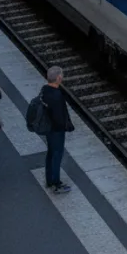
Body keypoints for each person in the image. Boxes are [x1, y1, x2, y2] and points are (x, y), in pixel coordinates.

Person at [41, 66, 74, 194]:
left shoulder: (45, 90)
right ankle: (56, 183)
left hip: (49, 128)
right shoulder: (57, 94)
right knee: (56, 155)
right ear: (59, 78)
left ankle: (49, 179)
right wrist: (65, 126)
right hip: (56, 130)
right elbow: (59, 115)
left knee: (50, 153)